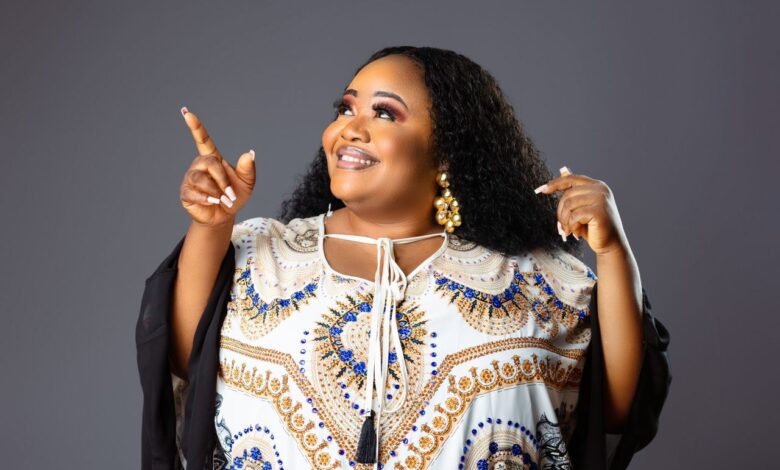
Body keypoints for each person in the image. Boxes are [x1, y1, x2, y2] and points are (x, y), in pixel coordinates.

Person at [136, 46, 671, 470]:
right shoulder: (261, 253)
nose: (350, 127)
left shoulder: (533, 276)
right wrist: (211, 225)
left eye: (384, 113)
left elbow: (615, 408)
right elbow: (184, 359)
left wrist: (612, 251)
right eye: (346, 107)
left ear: (448, 150)